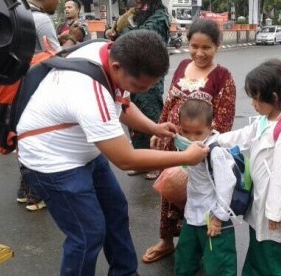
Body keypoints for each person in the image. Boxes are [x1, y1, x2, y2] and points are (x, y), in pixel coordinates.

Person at [17, 30, 209, 276]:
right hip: (52, 162)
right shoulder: (89, 89)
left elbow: (122, 104)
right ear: (117, 67)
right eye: (138, 85)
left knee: (115, 210)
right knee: (88, 233)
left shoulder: (110, 54)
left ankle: (124, 272)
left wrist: (154, 127)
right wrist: (185, 157)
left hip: (83, 148)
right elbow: (125, 158)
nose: (141, 91)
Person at [143, 18, 236, 264]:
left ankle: (195, 247)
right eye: (194, 46)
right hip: (172, 146)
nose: (199, 52)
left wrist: (194, 148)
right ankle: (166, 242)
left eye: (206, 47)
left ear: (217, 46)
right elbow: (170, 103)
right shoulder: (183, 65)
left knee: (197, 198)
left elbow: (223, 124)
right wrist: (158, 130)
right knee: (169, 194)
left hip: (199, 155)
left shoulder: (223, 77)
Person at [217, 59, 281, 275]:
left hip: (275, 211)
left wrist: (274, 213)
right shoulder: (264, 120)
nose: (253, 104)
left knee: (278, 257)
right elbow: (243, 136)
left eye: (256, 99)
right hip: (261, 203)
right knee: (260, 248)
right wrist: (215, 141)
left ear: (273, 98)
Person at [17, 0, 85, 211]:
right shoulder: (41, 19)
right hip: (39, 89)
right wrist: (74, 38)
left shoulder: (18, 15)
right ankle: (36, 194)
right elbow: (58, 58)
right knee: (44, 139)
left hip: (19, 89)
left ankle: (25, 190)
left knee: (26, 136)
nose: (59, 2)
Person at [174, 99, 237, 276]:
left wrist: (219, 218)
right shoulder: (186, 145)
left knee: (219, 263)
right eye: (186, 132)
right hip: (192, 213)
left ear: (210, 128)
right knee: (185, 257)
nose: (192, 139)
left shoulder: (215, 151)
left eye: (198, 133)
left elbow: (227, 183)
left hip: (213, 217)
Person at [110, 0, 171, 179]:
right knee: (130, 112)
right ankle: (140, 160)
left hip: (147, 73)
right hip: (130, 71)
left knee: (151, 112)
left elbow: (143, 37)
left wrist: (123, 30)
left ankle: (156, 162)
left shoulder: (160, 15)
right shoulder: (134, 13)